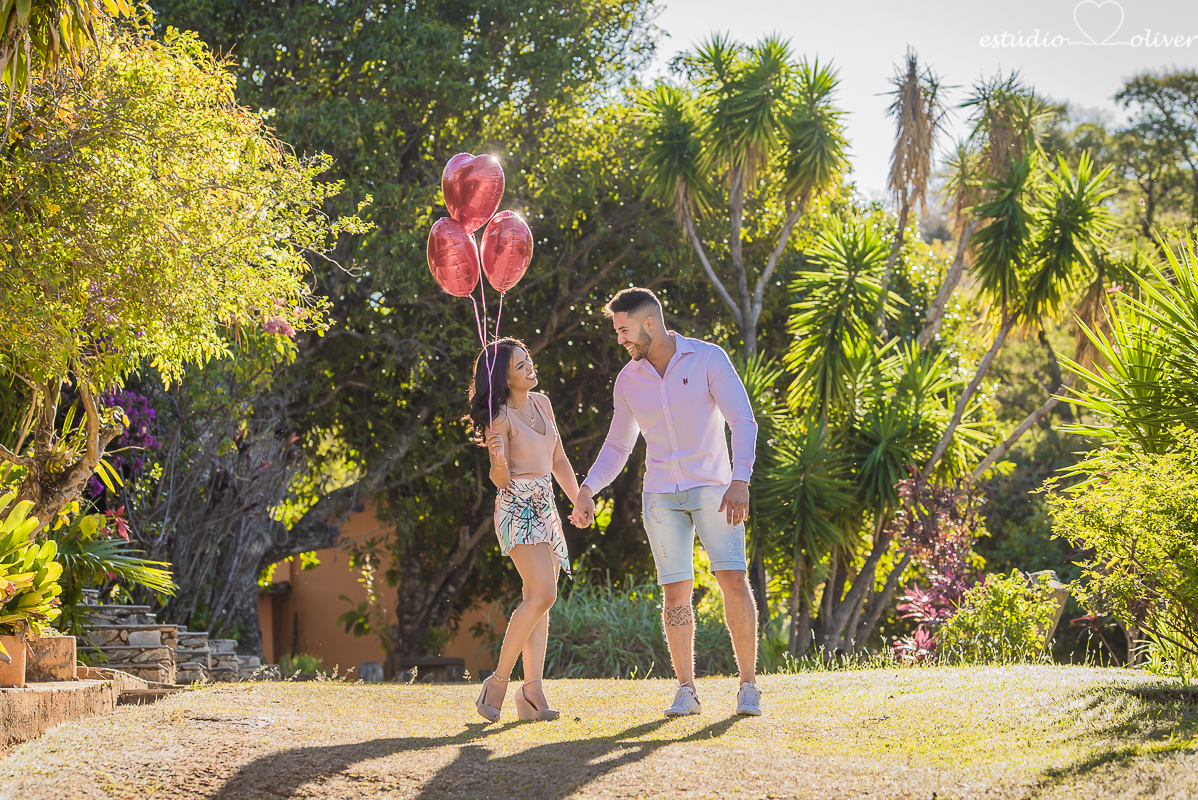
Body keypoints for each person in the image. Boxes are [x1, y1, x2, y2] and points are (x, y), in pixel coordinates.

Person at [571, 288, 762, 717]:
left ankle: (748, 686)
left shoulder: (708, 358)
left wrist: (740, 479)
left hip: (716, 488)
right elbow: (619, 446)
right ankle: (686, 690)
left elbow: (742, 419)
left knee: (733, 579)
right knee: (675, 593)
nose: (620, 339)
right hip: (661, 496)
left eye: (624, 330)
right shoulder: (628, 380)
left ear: (649, 324)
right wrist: (588, 488)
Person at [467, 337, 580, 723]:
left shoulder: (542, 403)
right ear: (504, 378)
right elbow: (500, 480)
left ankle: (532, 691)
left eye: (528, 359)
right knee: (543, 594)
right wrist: (496, 458)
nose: (530, 366)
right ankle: (497, 681)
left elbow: (560, 458)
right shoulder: (498, 417)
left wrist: (579, 498)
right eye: (520, 365)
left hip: (546, 503)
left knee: (539, 599)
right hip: (517, 505)